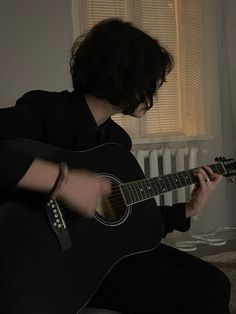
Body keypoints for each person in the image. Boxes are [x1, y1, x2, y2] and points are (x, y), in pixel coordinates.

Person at [0, 18, 231, 314]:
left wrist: (188, 209)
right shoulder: (45, 113)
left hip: (100, 256)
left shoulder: (116, 143)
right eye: (151, 81)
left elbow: (125, 227)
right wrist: (62, 181)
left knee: (217, 283)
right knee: (202, 301)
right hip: (42, 264)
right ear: (123, 74)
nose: (153, 94)